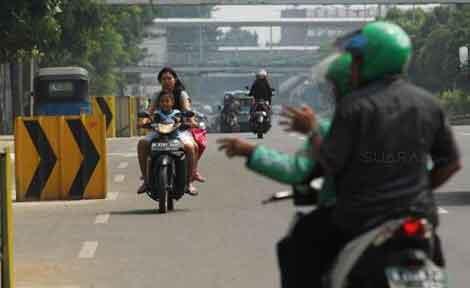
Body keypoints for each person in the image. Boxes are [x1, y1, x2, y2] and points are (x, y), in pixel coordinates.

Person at [283, 21, 461, 287]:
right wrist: (419, 189)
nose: (352, 67)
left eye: (356, 59)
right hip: (419, 217)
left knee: (300, 240)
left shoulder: (354, 107)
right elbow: (451, 163)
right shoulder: (428, 103)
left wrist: (312, 132)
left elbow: (330, 163)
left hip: (362, 218)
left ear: (372, 61)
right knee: (437, 265)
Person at [217, 53, 351, 288]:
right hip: (410, 211)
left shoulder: (344, 121)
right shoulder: (420, 108)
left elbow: (299, 171)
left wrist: (252, 152)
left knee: (295, 245)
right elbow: (433, 169)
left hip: (350, 214)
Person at [137, 67, 205, 196]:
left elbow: (187, 111)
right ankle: (146, 181)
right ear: (160, 81)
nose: (166, 81)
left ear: (175, 80)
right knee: (142, 144)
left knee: (191, 147)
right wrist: (143, 121)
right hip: (158, 129)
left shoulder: (182, 94)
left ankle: (189, 182)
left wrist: (191, 121)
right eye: (163, 79)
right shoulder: (157, 95)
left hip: (179, 130)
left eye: (169, 78)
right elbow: (149, 111)